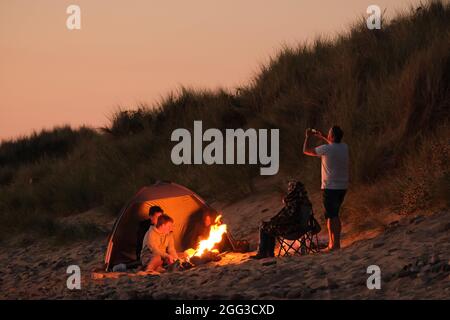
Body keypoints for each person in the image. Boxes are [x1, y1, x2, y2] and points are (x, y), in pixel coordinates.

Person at [303, 125, 349, 251]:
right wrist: (323, 136)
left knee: (332, 215)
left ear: (332, 136)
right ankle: (332, 243)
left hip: (330, 187)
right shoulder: (344, 147)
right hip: (342, 186)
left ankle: (335, 245)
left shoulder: (326, 149)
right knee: (333, 215)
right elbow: (333, 144)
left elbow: (306, 150)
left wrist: (307, 137)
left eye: (329, 134)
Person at [251, 181, 316, 259]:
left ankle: (263, 253)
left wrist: (277, 221)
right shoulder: (305, 201)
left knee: (265, 227)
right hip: (302, 228)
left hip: (293, 229)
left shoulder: (295, 201)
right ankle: (268, 253)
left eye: (290, 188)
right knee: (270, 226)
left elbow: (290, 217)